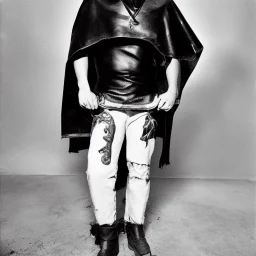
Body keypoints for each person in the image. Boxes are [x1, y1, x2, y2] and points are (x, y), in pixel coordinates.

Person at [61, 0, 203, 255]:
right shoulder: (96, 3)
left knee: (140, 170)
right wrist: (83, 85)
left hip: (145, 106)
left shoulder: (161, 5)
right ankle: (107, 233)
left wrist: (173, 89)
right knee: (99, 170)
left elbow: (171, 53)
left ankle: (135, 226)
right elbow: (81, 48)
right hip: (107, 104)